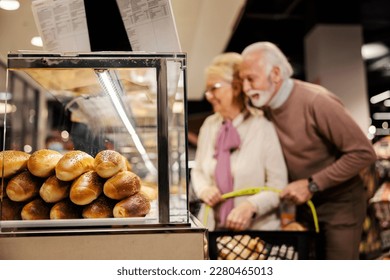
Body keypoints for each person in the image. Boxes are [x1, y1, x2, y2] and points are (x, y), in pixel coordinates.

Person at [239, 41, 377, 259]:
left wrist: (312, 184)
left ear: (275, 74)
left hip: (340, 205)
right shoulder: (267, 110)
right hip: (305, 208)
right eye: (242, 80)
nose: (245, 88)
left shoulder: (317, 101)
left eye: (250, 79)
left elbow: (363, 153)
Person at [191, 52, 288, 231]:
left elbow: (278, 186)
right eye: (208, 90)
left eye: (214, 88)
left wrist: (251, 206)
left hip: (255, 233)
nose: (208, 96)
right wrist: (204, 189)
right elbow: (198, 170)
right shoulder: (209, 125)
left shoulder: (262, 127)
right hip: (212, 229)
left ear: (236, 87)